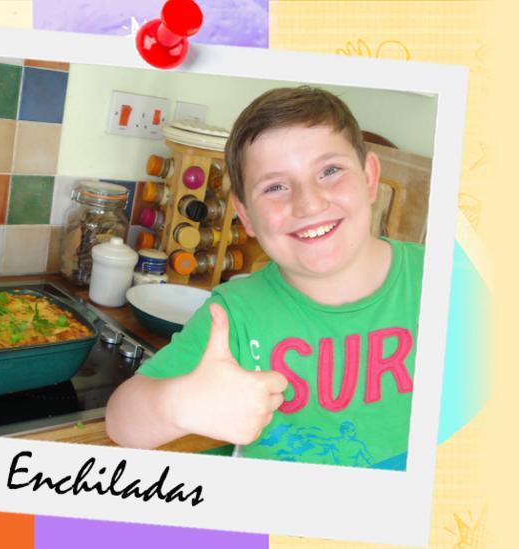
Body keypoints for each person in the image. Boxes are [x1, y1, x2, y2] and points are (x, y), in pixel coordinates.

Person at [105, 86, 422, 470]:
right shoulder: (236, 315)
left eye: (330, 171)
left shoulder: (445, 279)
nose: (309, 203)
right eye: (275, 187)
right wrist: (179, 404)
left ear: (370, 178)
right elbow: (122, 423)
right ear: (247, 216)